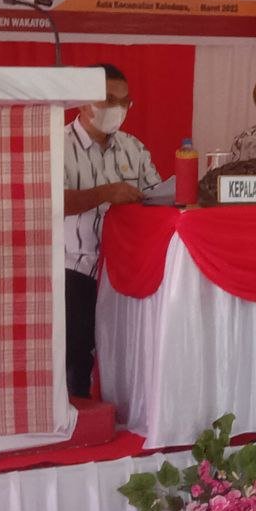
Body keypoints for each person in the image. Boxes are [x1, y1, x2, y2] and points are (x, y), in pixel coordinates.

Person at [62, 64, 161, 398]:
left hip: (125, 272)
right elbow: (49, 202)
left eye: (124, 102)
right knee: (75, 358)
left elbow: (155, 196)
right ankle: (76, 415)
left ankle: (120, 413)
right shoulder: (57, 144)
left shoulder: (134, 148)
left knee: (125, 353)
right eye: (108, 100)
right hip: (75, 269)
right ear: (82, 102)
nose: (117, 109)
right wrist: (103, 193)